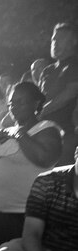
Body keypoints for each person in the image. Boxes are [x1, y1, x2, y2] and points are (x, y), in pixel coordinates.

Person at [0, 82, 63, 246]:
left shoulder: (47, 129)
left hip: (29, 216)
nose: (14, 107)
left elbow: (45, 159)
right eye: (11, 103)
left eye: (20, 101)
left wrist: (20, 134)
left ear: (36, 103)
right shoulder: (5, 131)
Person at [39, 22, 78, 165]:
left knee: (63, 181)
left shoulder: (74, 65)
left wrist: (41, 111)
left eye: (60, 39)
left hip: (68, 135)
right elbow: (39, 98)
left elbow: (69, 94)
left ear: (74, 41)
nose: (55, 42)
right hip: (44, 135)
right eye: (53, 39)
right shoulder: (47, 71)